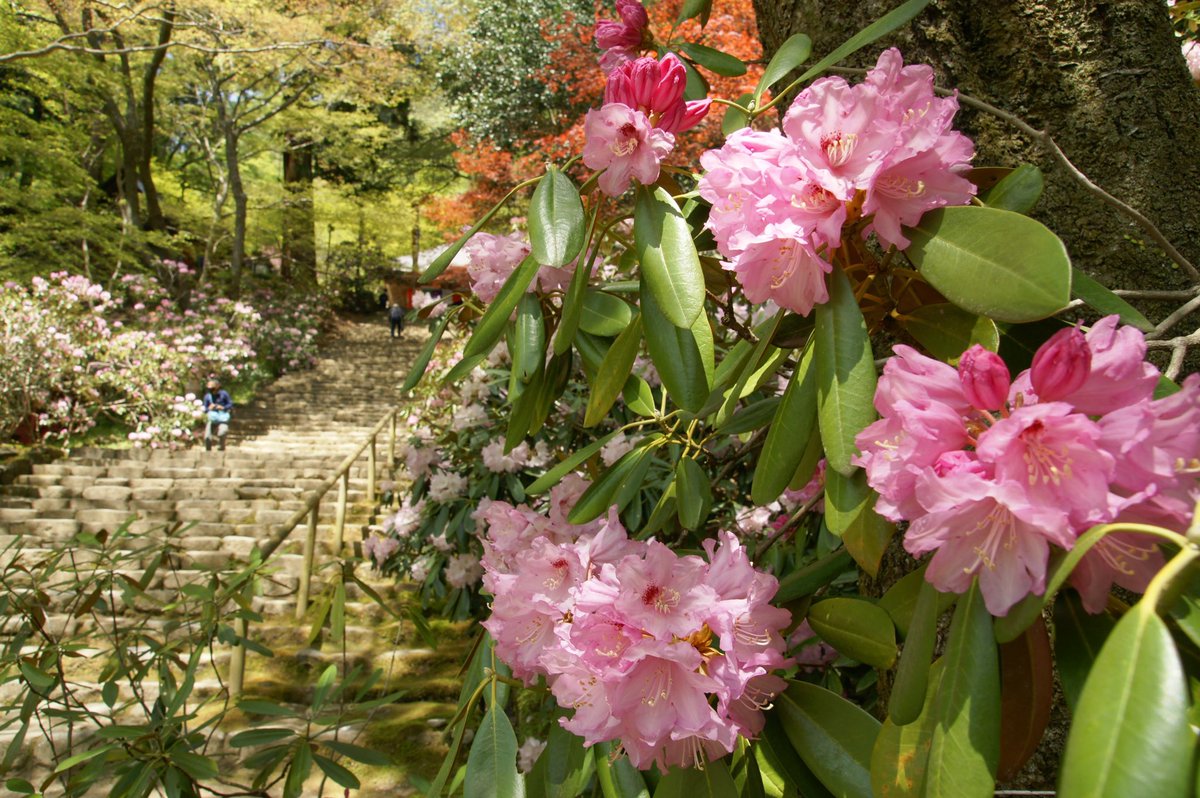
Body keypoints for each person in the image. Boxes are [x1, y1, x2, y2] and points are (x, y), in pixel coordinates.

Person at [202, 378, 233, 451]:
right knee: (207, 437)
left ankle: (222, 447)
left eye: (213, 388)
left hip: (222, 417)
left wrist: (223, 407)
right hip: (212, 418)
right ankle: (208, 450)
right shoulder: (207, 396)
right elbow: (205, 409)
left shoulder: (224, 394)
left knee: (222, 432)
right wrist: (209, 408)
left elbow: (230, 404)